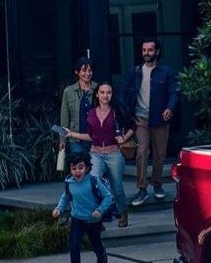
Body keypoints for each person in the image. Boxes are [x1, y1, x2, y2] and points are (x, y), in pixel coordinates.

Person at [63, 82, 133, 227]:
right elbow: (91, 136)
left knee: (117, 187)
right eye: (102, 92)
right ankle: (97, 217)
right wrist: (72, 134)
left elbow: (133, 126)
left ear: (112, 95)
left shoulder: (116, 111)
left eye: (108, 92)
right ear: (97, 94)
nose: (105, 95)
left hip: (113, 153)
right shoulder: (91, 113)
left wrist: (124, 138)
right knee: (93, 185)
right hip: (95, 153)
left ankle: (123, 212)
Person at [121, 38, 179, 206]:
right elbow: (124, 93)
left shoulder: (166, 71)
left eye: (150, 50)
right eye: (144, 50)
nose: (146, 53)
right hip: (140, 119)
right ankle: (142, 189)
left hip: (160, 119)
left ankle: (158, 184)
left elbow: (174, 91)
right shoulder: (135, 71)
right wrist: (126, 115)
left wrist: (170, 107)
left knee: (160, 154)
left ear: (157, 52)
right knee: (141, 152)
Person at [51, 152, 114, 263]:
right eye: (74, 168)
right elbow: (66, 197)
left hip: (93, 220)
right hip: (77, 219)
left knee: (95, 243)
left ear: (87, 168)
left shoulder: (93, 181)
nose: (77, 171)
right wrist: (59, 209)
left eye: (80, 167)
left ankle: (101, 254)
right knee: (74, 247)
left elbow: (108, 197)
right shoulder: (69, 183)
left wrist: (100, 210)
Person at [59, 57, 96, 163]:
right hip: (75, 138)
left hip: (94, 138)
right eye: (84, 70)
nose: (87, 73)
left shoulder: (98, 89)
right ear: (77, 72)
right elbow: (65, 117)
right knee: (79, 166)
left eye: (90, 70)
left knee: (94, 169)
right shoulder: (69, 91)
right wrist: (62, 140)